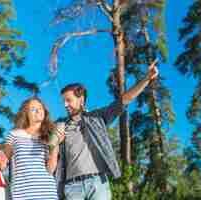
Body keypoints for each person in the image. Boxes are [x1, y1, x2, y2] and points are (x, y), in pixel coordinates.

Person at [56, 60, 158, 200]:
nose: (65, 105)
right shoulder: (60, 126)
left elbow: (124, 100)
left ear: (81, 99)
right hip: (72, 188)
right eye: (63, 101)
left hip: (98, 183)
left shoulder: (98, 117)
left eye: (68, 100)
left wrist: (146, 78)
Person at [0, 97, 64, 200]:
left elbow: (50, 169)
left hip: (48, 193)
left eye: (40, 108)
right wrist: (0, 160)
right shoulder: (14, 134)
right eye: (33, 109)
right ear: (26, 114)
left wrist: (55, 145)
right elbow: (5, 158)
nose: (38, 111)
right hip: (23, 194)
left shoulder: (49, 137)